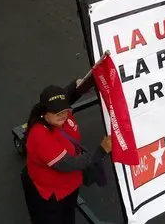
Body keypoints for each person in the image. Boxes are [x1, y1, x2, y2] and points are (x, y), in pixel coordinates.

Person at [21, 79, 109, 224]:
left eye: (65, 110)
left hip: (69, 187)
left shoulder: (58, 116)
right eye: (57, 112)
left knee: (68, 218)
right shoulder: (39, 136)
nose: (62, 115)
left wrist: (79, 84)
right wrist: (101, 151)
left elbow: (68, 95)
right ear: (44, 113)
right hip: (51, 195)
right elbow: (69, 164)